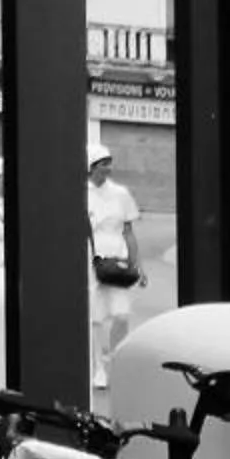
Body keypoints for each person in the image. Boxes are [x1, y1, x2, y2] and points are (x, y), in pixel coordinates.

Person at [86, 139, 142, 388]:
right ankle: (99, 367)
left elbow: (129, 231)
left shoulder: (121, 193)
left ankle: (114, 360)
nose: (107, 168)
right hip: (90, 256)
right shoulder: (80, 192)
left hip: (117, 254)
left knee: (120, 314)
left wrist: (136, 264)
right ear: (91, 166)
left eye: (109, 163)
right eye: (102, 164)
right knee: (96, 317)